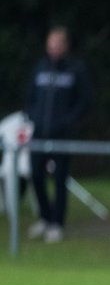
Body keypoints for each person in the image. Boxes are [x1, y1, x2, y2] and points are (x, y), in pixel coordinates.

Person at [25, 26, 91, 243]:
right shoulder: (40, 68)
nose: (53, 48)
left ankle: (56, 223)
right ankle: (45, 217)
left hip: (62, 134)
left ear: (65, 46)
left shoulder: (75, 70)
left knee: (60, 179)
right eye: (50, 44)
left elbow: (83, 101)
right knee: (36, 175)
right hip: (39, 132)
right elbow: (30, 97)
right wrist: (33, 116)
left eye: (57, 44)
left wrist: (67, 121)